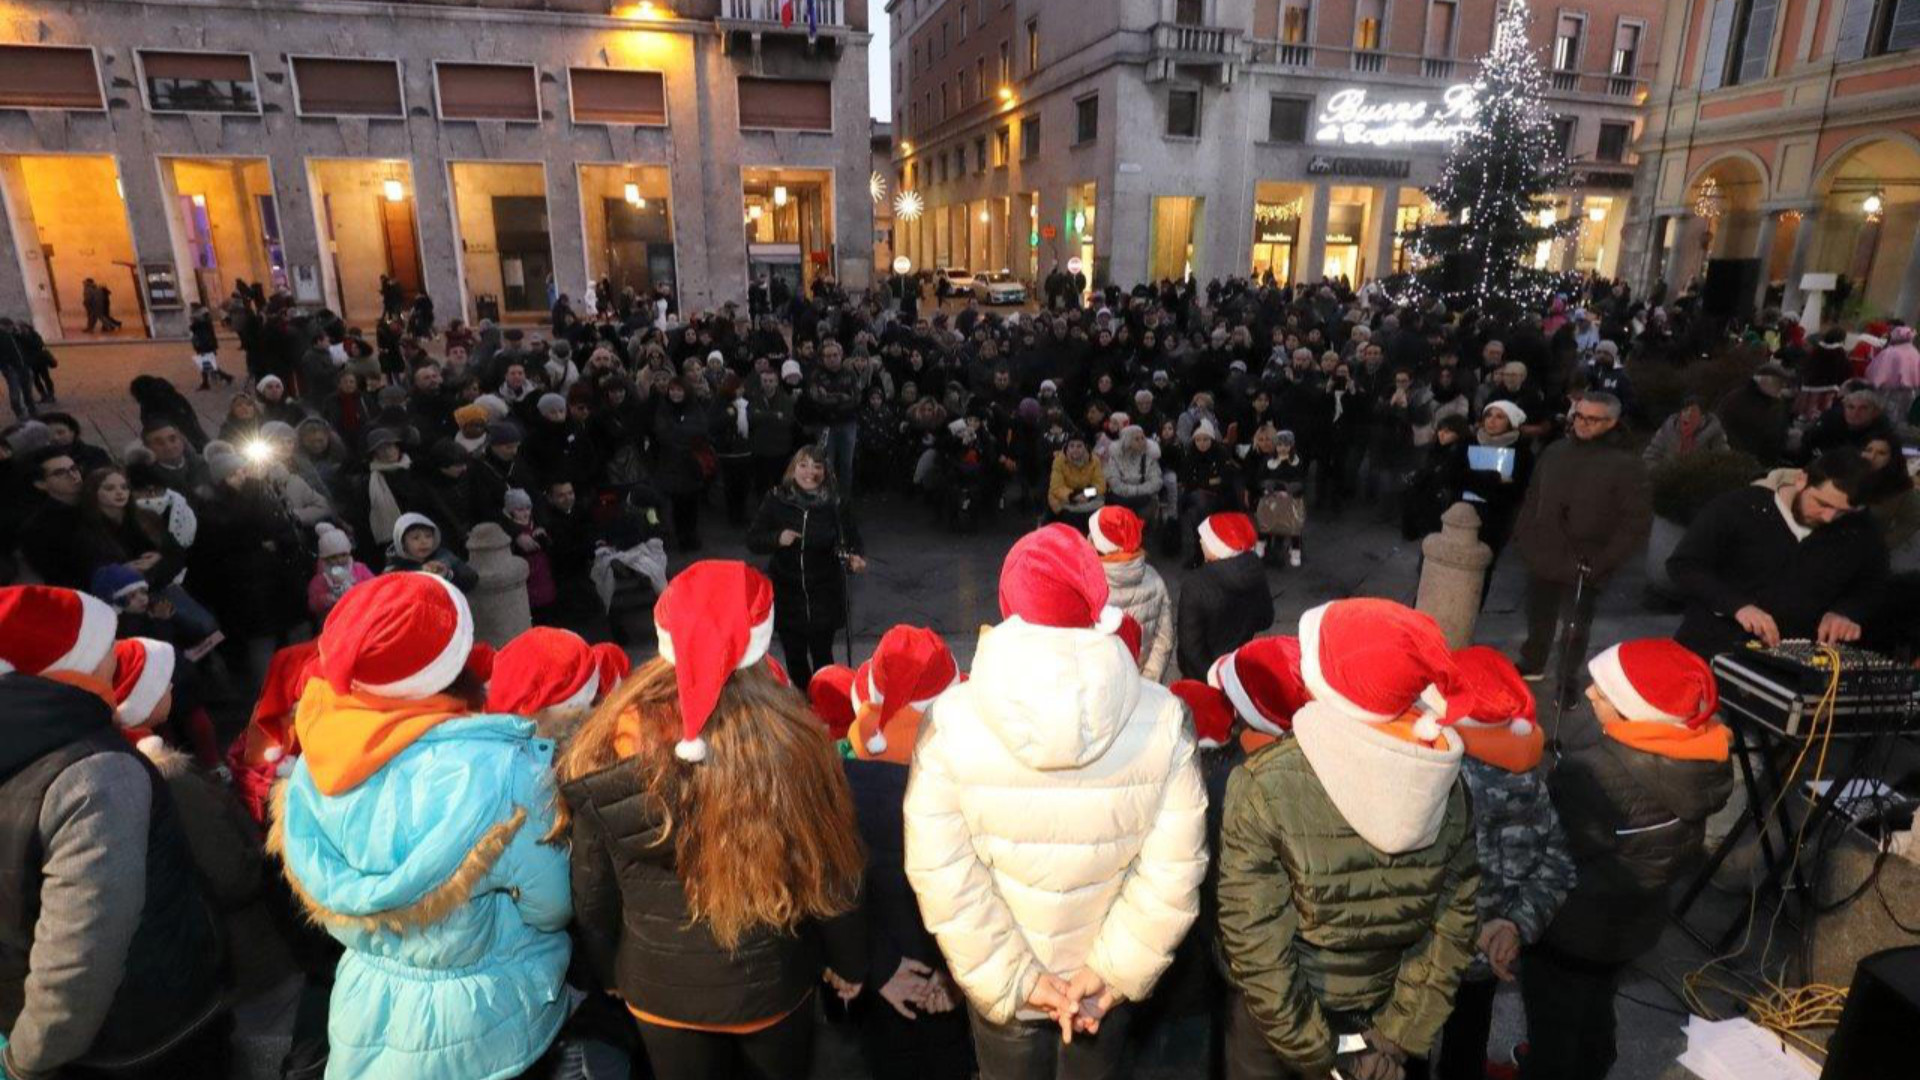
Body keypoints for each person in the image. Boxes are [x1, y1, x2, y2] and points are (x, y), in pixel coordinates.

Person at [904, 525, 1206, 1078]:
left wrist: (1018, 978)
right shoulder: (1162, 717)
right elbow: (1174, 871)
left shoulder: (951, 721)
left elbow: (942, 872)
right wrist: (1112, 970)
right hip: (1101, 990)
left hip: (1005, 987)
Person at [556, 561, 868, 1079]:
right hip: (769, 984)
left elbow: (592, 880)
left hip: (656, 988)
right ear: (759, 640)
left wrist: (609, 968)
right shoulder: (793, 739)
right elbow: (831, 871)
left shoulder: (612, 733)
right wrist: (851, 961)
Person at [269, 572, 573, 1080]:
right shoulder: (505, 771)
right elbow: (552, 907)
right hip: (488, 1021)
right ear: (450, 661)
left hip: (367, 1009)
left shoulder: (316, 761)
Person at [1217, 598, 1478, 1080]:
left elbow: (1254, 940)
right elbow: (1453, 924)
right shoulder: (1447, 780)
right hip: (1386, 1011)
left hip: (1276, 1031)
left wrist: (1323, 1051)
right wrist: (1396, 1037)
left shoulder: (1266, 783)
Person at [0, 586, 227, 1080]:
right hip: (147, 1029)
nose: (116, 658)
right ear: (72, 665)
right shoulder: (95, 771)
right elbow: (81, 952)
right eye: (105, 648)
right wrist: (28, 1057)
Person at [1519, 640, 1731, 1080]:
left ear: (1636, 713)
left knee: (1555, 1018)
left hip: (1570, 929)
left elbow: (1550, 849)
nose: (1592, 693)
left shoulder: (1593, 773)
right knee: (1597, 1000)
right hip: (1634, 924)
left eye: (1605, 691)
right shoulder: (1702, 761)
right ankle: (1594, 1063)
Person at [1429, 647, 1573, 1080]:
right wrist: (1513, 926)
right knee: (1467, 1040)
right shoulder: (1533, 780)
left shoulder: (1440, 783)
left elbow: (1418, 884)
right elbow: (1559, 867)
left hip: (1433, 953)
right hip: (1491, 957)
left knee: (1411, 1046)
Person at [842, 626, 974, 1080]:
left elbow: (825, 894)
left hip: (876, 983)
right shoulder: (971, 782)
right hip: (953, 973)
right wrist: (959, 973)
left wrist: (876, 966)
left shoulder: (835, 784)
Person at [1666, 450, 1886, 658]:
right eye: (1822, 504)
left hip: (1792, 660)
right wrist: (1737, 606)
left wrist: (1845, 612)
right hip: (1711, 647)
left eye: (1842, 512)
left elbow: (1872, 585)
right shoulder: (1740, 507)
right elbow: (1684, 565)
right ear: (1802, 480)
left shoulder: (1860, 531)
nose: (1829, 517)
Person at [1512, 391, 1650, 683]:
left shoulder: (1626, 464)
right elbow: (1532, 496)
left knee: (1576, 624)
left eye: (1593, 419)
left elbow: (1635, 521)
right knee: (1538, 614)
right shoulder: (1555, 451)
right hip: (1543, 550)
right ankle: (1533, 661)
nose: (1583, 424)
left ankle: (1566, 674)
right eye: (1579, 416)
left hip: (1587, 558)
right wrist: (1525, 537)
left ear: (1611, 422)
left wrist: (1605, 560)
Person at [745, 445, 866, 687]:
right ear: (793, 468)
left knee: (824, 659)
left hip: (824, 593)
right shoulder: (776, 499)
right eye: (804, 465)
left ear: (825, 471)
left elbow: (853, 543)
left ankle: (826, 705)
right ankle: (802, 706)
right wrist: (777, 538)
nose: (810, 472)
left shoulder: (836, 503)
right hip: (788, 593)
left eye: (817, 466)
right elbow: (753, 540)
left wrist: (855, 560)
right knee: (795, 658)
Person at [1176, 512, 1274, 680]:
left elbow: (1190, 645)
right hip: (1236, 667)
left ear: (1218, 547)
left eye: (1205, 539)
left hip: (1202, 675)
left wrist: (1212, 677)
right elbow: (1266, 619)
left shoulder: (1195, 584)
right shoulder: (1255, 570)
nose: (1200, 542)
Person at [1088, 506, 1175, 682]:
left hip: (1101, 686)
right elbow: (1164, 639)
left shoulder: (1086, 585)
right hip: (1142, 679)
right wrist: (1149, 680)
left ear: (1098, 544)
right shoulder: (1155, 579)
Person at [383, 511, 480, 592]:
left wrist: (448, 574)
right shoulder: (395, 567)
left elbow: (471, 580)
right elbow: (388, 593)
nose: (423, 542)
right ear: (402, 543)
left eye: (428, 536)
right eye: (416, 538)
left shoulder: (444, 556)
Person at [1716, 362, 1792, 466]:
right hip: (1747, 461)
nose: (1782, 387)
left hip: (1768, 458)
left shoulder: (1772, 401)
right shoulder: (1738, 402)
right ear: (1764, 382)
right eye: (1779, 383)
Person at [1641, 397, 1729, 467]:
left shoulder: (1714, 433)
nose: (1687, 415)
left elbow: (1723, 461)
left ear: (1702, 417)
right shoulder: (1667, 430)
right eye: (1685, 410)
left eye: (1693, 411)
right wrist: (1661, 475)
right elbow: (1650, 456)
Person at [1046, 432, 1107, 529]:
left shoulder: (1094, 461)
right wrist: (1073, 496)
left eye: (1079, 446)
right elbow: (1056, 487)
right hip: (1065, 497)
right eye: (1072, 446)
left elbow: (1100, 485)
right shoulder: (1059, 461)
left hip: (1087, 494)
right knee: (1067, 515)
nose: (1075, 449)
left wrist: (1087, 493)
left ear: (1085, 447)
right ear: (1067, 447)